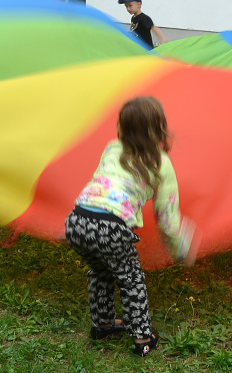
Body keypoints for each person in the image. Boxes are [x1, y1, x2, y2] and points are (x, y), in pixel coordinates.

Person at [64, 96, 195, 356]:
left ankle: (102, 325)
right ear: (160, 128)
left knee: (100, 270)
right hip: (110, 228)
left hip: (76, 220)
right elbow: (167, 220)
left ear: (121, 127)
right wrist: (180, 248)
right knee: (130, 279)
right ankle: (142, 339)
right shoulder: (161, 163)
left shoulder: (112, 148)